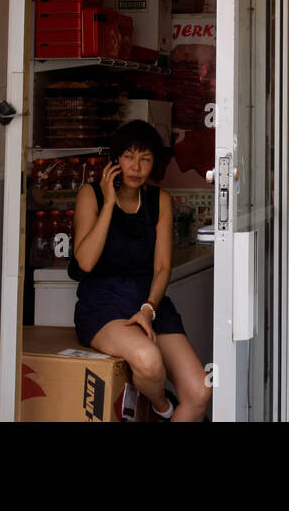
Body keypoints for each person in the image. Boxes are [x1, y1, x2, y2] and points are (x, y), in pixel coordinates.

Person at [70, 120, 211, 422]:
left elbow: (162, 268)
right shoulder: (90, 195)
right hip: (104, 305)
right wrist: (109, 204)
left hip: (149, 302)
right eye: (128, 157)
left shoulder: (159, 201)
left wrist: (149, 309)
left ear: (154, 165)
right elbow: (85, 262)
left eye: (145, 159)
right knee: (147, 360)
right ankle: (163, 409)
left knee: (200, 392)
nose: (135, 167)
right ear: (115, 160)